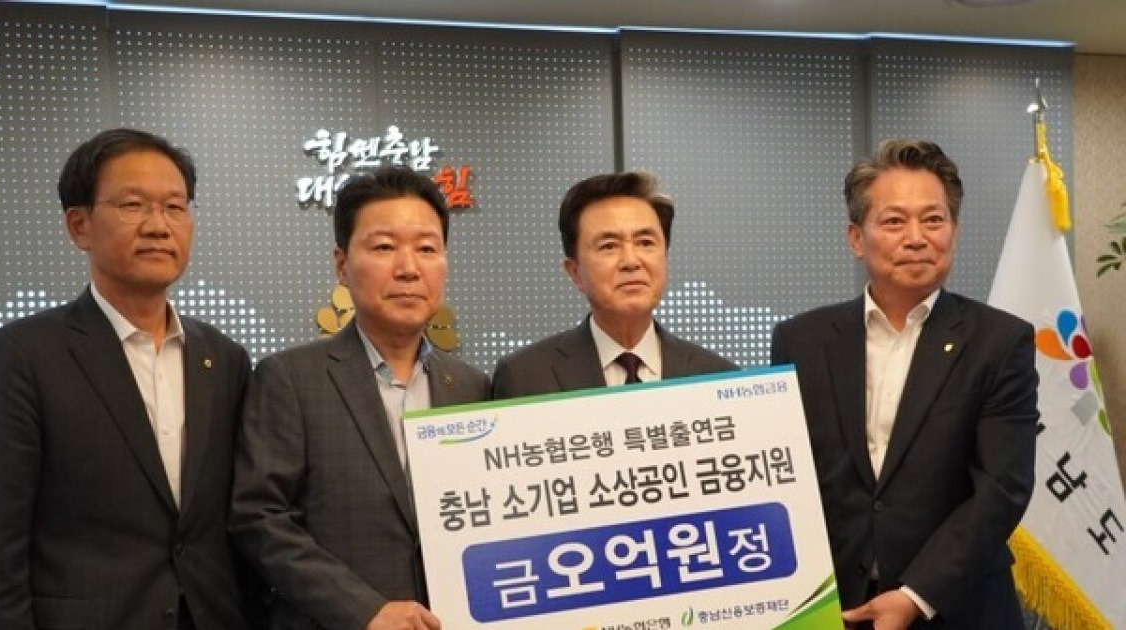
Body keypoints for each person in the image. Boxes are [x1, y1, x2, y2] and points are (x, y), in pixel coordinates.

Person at [0, 128, 256, 629]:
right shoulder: (20, 356)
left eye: (175, 207)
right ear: (79, 226)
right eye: (133, 205)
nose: (159, 226)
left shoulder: (224, 359)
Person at [770, 139, 1038, 630]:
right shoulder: (800, 341)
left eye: (933, 220)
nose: (916, 238)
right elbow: (786, 477)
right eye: (894, 221)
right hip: (835, 608)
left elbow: (1003, 488)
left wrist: (916, 595)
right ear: (856, 238)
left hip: (960, 608)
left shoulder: (1001, 342)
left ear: (954, 230)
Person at [230, 165, 490, 630]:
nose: (408, 268)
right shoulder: (290, 379)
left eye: (427, 248)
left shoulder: (473, 387)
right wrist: (362, 609)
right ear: (342, 265)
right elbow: (260, 517)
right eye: (384, 247)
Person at [492, 170, 736, 398]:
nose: (631, 261)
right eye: (609, 246)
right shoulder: (524, 377)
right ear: (574, 272)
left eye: (645, 243)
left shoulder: (719, 378)